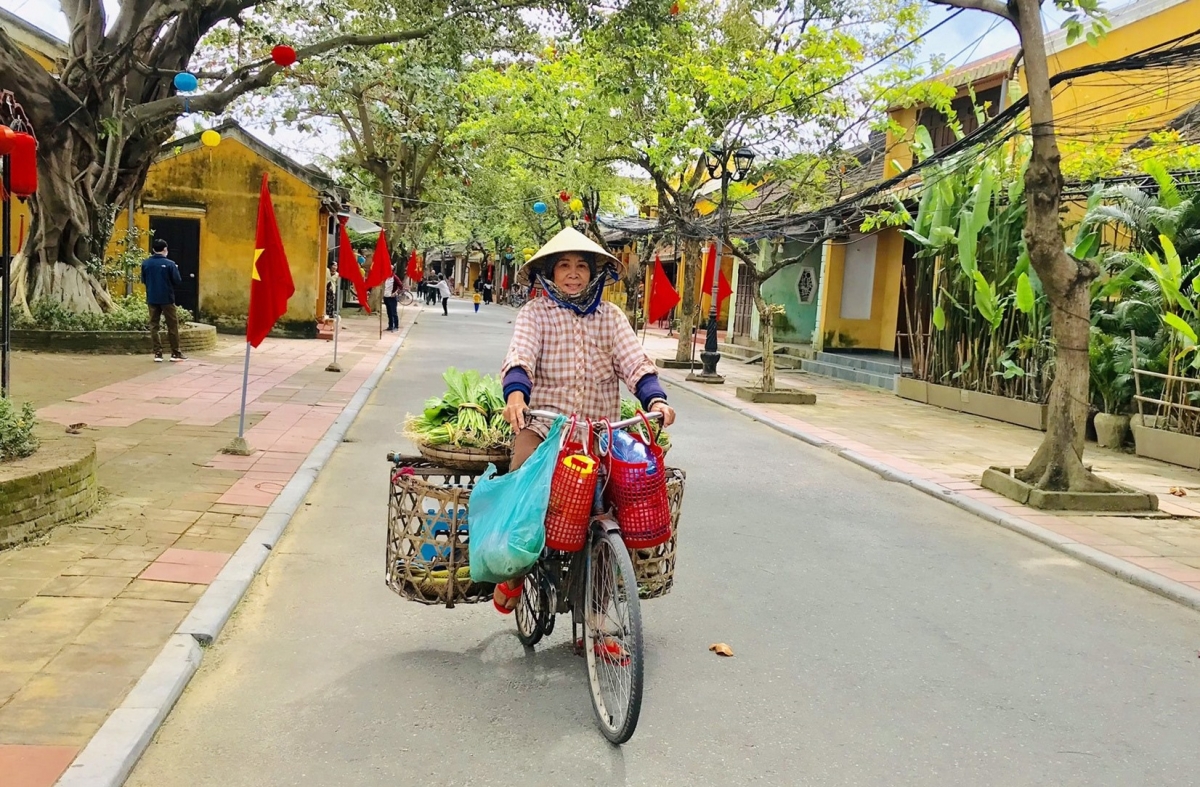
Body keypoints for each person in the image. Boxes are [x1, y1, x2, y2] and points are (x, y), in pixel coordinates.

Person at [493, 227, 676, 614]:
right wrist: (515, 396)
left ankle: (598, 615)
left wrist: (655, 399)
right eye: (564, 265)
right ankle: (515, 571)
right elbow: (520, 357)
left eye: (581, 266)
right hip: (546, 428)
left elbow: (634, 363)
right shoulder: (535, 313)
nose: (573, 273)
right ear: (549, 272)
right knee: (523, 480)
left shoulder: (610, 317)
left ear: (594, 273)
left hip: (599, 433)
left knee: (616, 511)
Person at [140, 238, 186, 362]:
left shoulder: (146, 263)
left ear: (153, 249)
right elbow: (177, 281)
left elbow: (144, 280)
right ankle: (175, 353)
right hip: (167, 298)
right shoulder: (170, 264)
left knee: (154, 325)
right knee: (172, 325)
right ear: (165, 249)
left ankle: (158, 353)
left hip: (152, 298)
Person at [383, 266, 401, 331]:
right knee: (389, 312)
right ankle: (390, 325)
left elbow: (400, 286)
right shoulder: (385, 278)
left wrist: (396, 292)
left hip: (392, 298)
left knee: (394, 312)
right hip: (386, 297)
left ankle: (396, 326)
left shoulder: (395, 277)